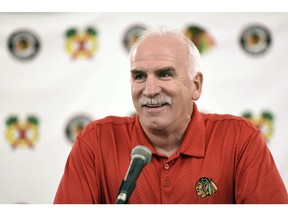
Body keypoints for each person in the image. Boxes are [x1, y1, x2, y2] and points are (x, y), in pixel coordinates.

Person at [54, 26, 288, 204]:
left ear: (196, 86)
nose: (150, 89)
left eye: (165, 74)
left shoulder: (239, 139)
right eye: (139, 76)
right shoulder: (95, 142)